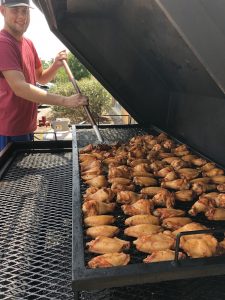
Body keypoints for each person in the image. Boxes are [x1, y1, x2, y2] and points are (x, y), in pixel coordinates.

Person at [0, 0, 88, 150]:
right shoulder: (3, 43)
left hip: (27, 126)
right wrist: (65, 101)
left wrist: (55, 65)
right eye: (15, 10)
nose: (22, 16)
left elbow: (41, 78)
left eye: (25, 10)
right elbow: (20, 87)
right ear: (2, 11)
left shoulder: (28, 43)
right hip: (8, 130)